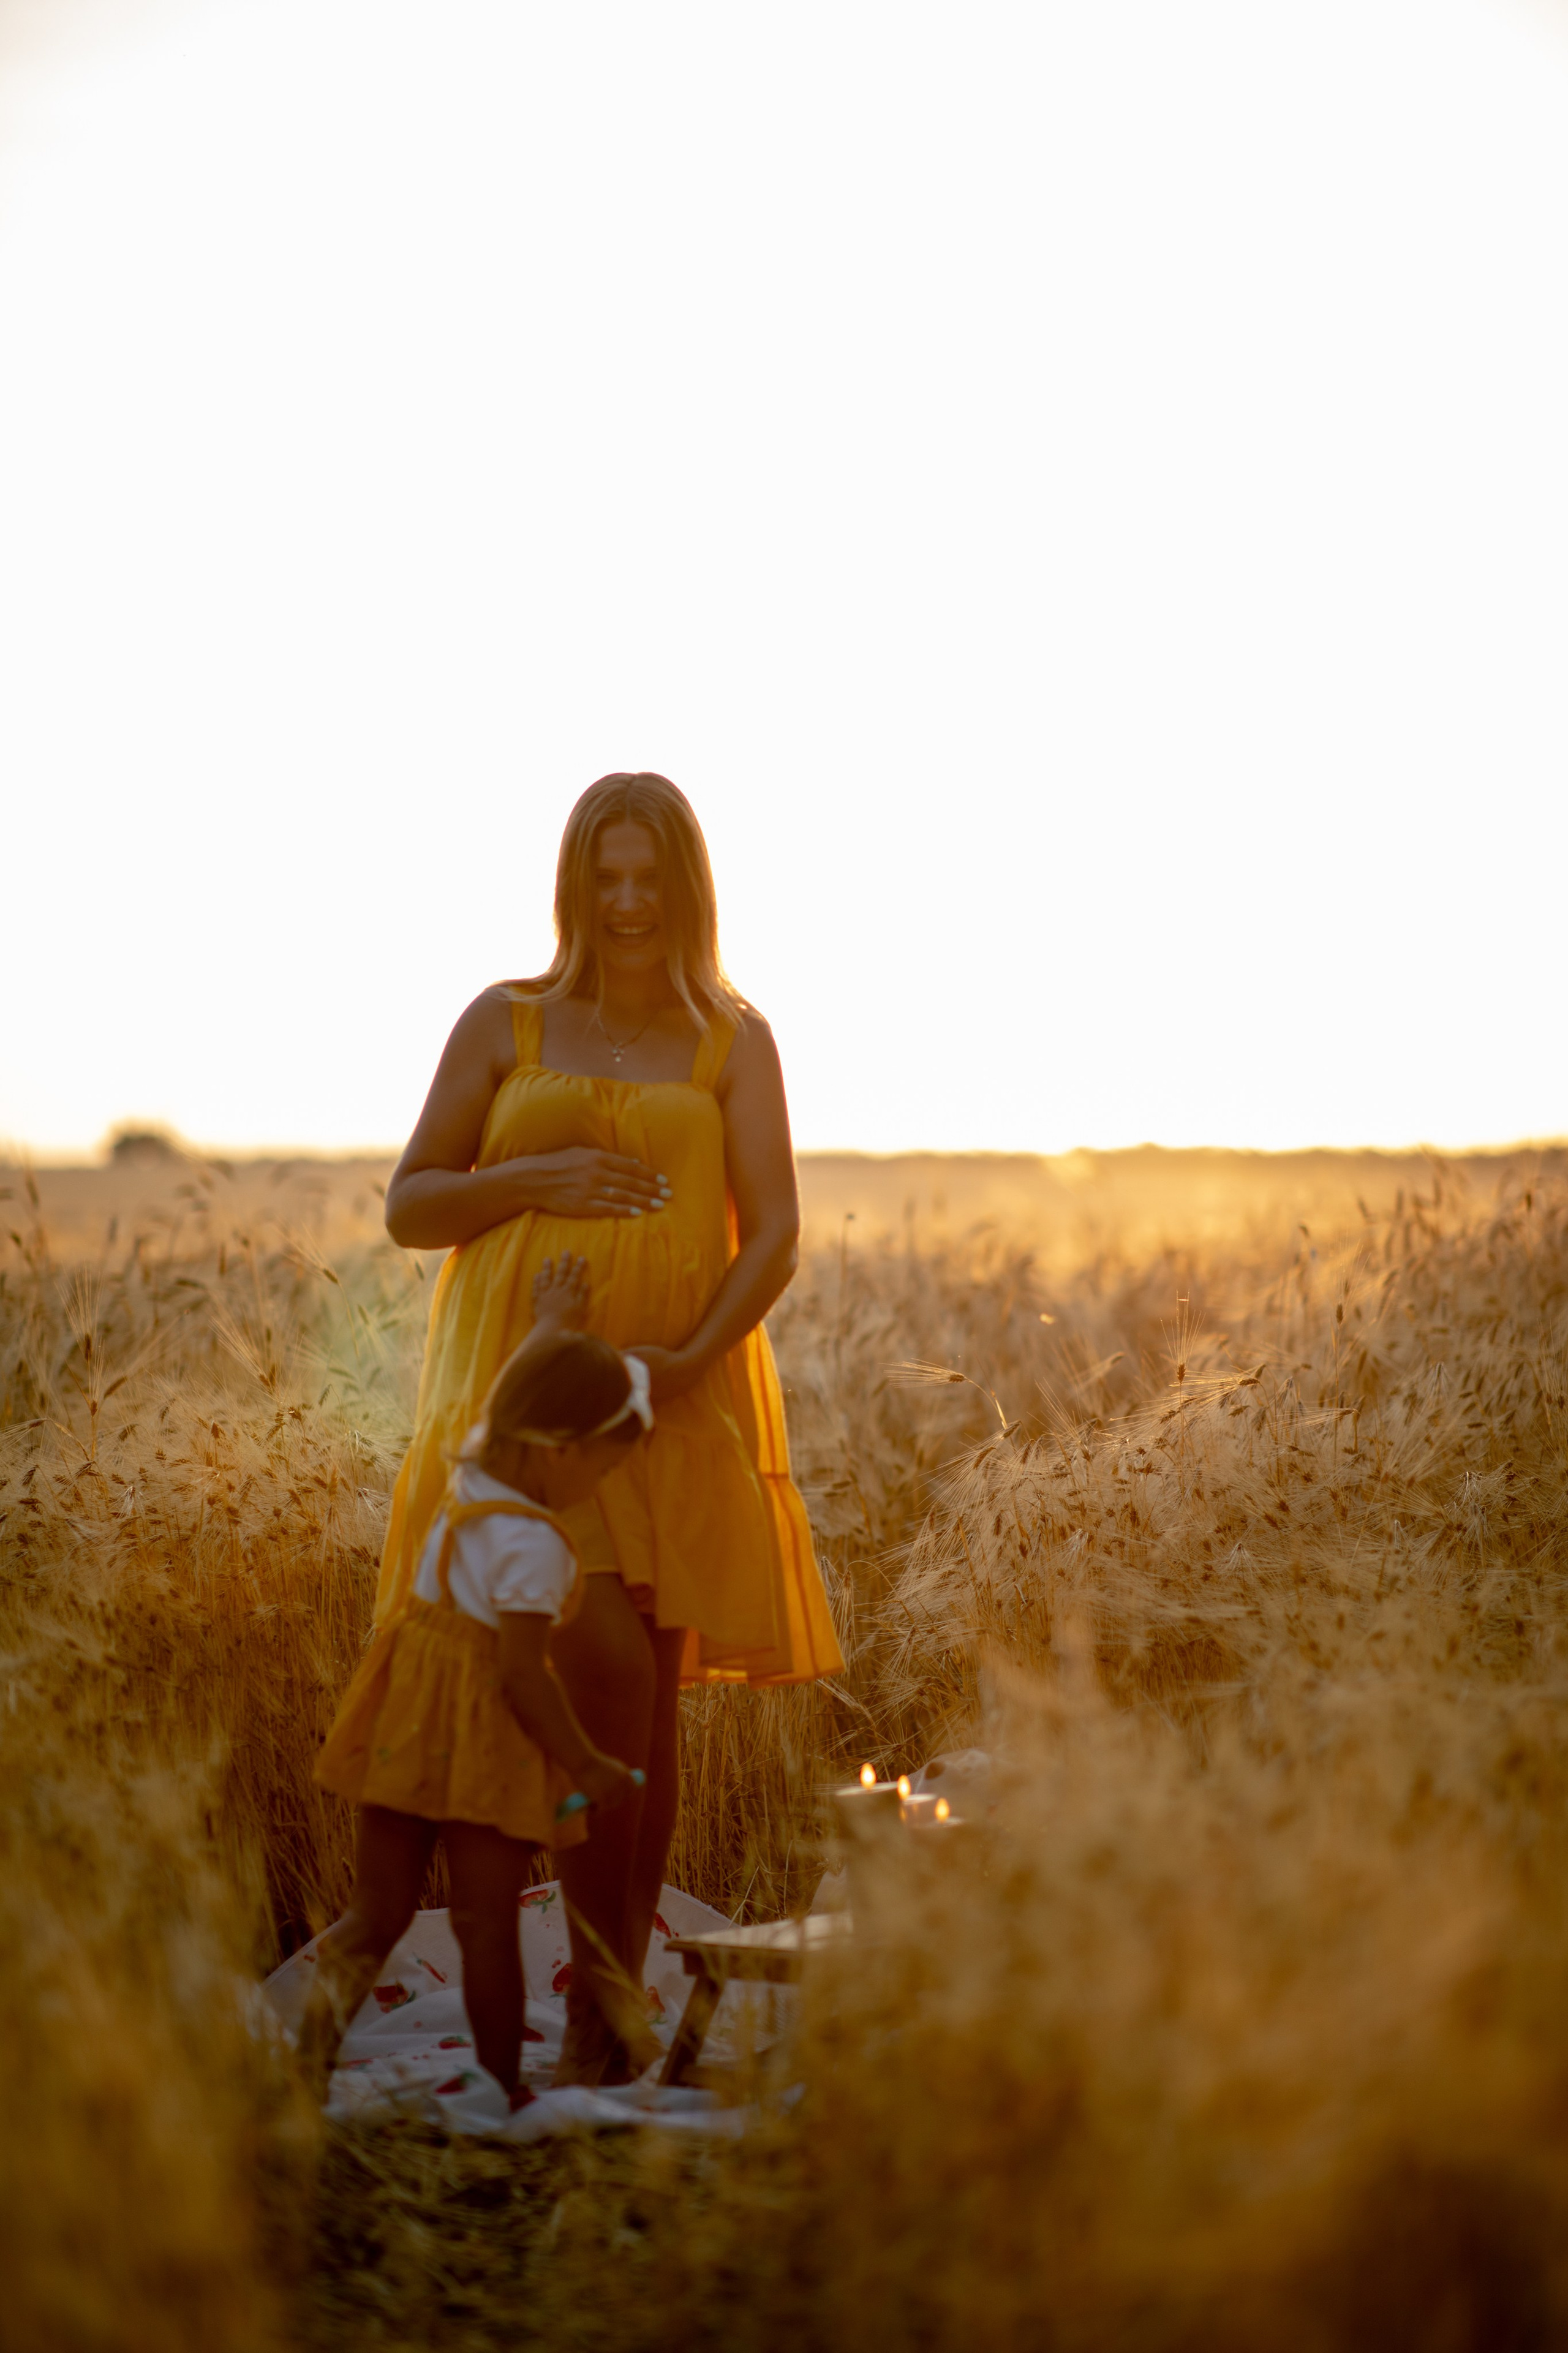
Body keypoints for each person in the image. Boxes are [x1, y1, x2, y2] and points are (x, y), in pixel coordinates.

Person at [375, 770, 843, 2082]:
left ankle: (606, 2006)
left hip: (668, 1408)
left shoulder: (731, 1039)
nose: (626, 902)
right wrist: (535, 1176)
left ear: (686, 889)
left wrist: (686, 1360)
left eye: (650, 878)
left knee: (643, 1715)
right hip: (520, 1409)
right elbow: (413, 1204)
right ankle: (588, 1997)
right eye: (605, 877)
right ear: (573, 885)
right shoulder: (506, 1020)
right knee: (587, 1688)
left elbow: (779, 1229)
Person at [301, 1256, 650, 2104]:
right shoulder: (531, 1545)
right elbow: (521, 1674)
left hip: (405, 1722)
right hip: (485, 1743)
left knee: (373, 1914)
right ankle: (503, 2092)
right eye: (599, 1467)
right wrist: (586, 1763)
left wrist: (550, 1323)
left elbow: (507, 1398)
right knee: (485, 1925)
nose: (597, 1486)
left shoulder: (477, 1473)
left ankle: (299, 2069)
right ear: (558, 1450)